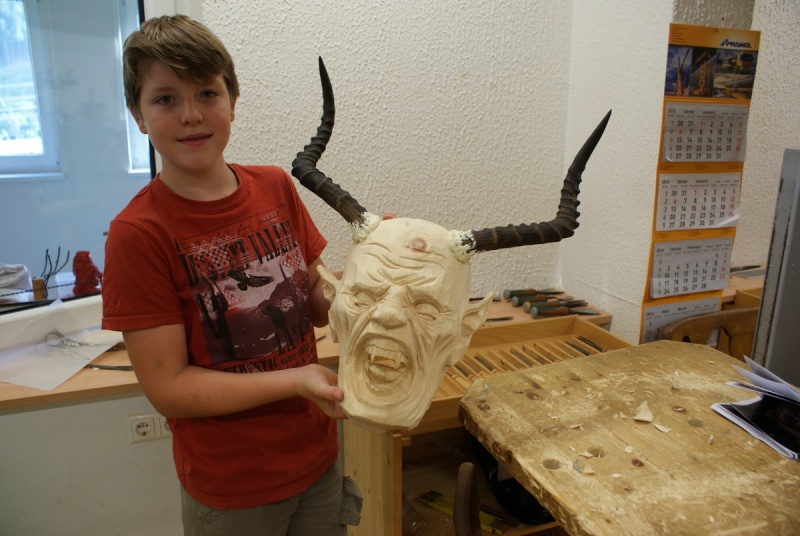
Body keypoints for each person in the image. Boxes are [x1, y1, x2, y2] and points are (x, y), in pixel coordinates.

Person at [101, 14, 360, 536]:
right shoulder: (137, 234)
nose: (191, 115)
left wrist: (369, 270)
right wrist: (297, 380)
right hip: (235, 489)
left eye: (207, 92)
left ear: (233, 100)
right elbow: (170, 388)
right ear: (138, 116)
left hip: (318, 455)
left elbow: (314, 299)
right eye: (165, 99)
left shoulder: (275, 186)